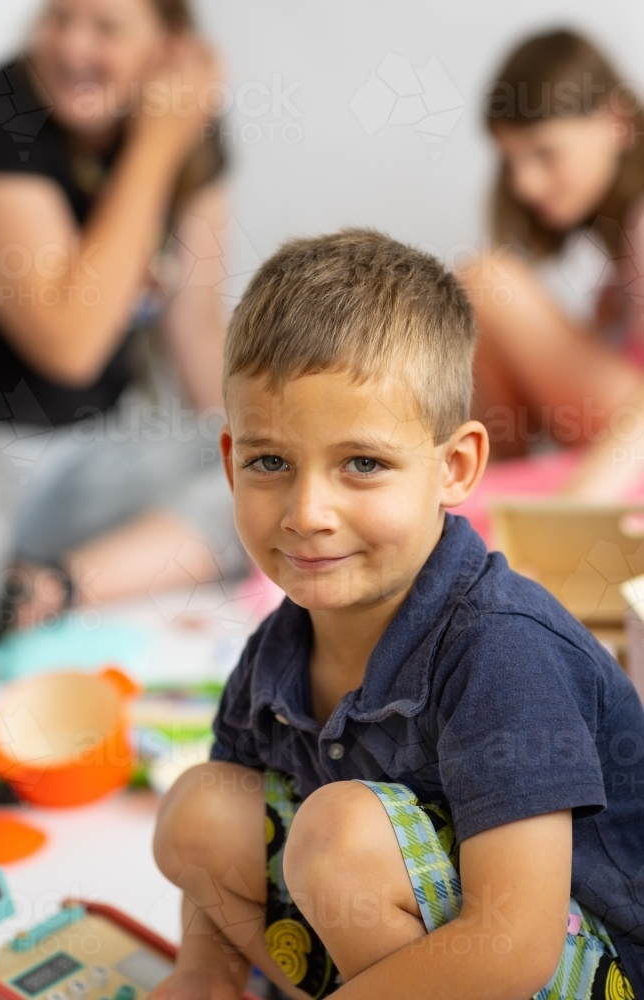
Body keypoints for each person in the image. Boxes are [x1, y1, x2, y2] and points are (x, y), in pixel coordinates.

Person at [152, 230, 644, 999]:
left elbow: (515, 946)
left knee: (341, 838)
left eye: (363, 464)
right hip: (411, 947)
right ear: (229, 461)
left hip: (576, 963)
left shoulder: (501, 647)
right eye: (270, 462)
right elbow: (225, 849)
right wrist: (202, 970)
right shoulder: (275, 651)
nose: (307, 513)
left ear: (455, 468)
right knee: (201, 807)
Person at [0, 0, 240, 641]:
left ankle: (47, 590)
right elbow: (68, 345)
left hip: (100, 451)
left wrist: (255, 451)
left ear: (169, 45)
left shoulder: (191, 130)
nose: (73, 48)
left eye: (105, 28)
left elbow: (196, 331)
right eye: (59, 19)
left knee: (271, 474)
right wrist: (155, 146)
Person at [459, 30, 644, 506]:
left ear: (616, 122)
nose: (524, 183)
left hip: (632, 434)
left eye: (544, 153)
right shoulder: (619, 245)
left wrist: (577, 504)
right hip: (618, 419)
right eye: (511, 161)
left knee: (485, 281)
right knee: (483, 325)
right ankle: (487, 482)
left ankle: (485, 489)